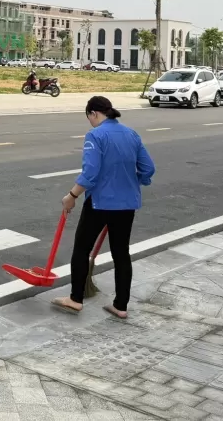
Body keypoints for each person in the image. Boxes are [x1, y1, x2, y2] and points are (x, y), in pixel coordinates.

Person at [51, 95, 155, 319]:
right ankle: (121, 306)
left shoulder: (95, 135)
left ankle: (75, 299)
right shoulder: (131, 134)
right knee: (121, 253)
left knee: (82, 249)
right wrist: (131, 183)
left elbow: (90, 173)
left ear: (94, 113)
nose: (90, 122)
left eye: (89, 117)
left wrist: (71, 196)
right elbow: (148, 169)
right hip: (126, 204)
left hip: (100, 203)